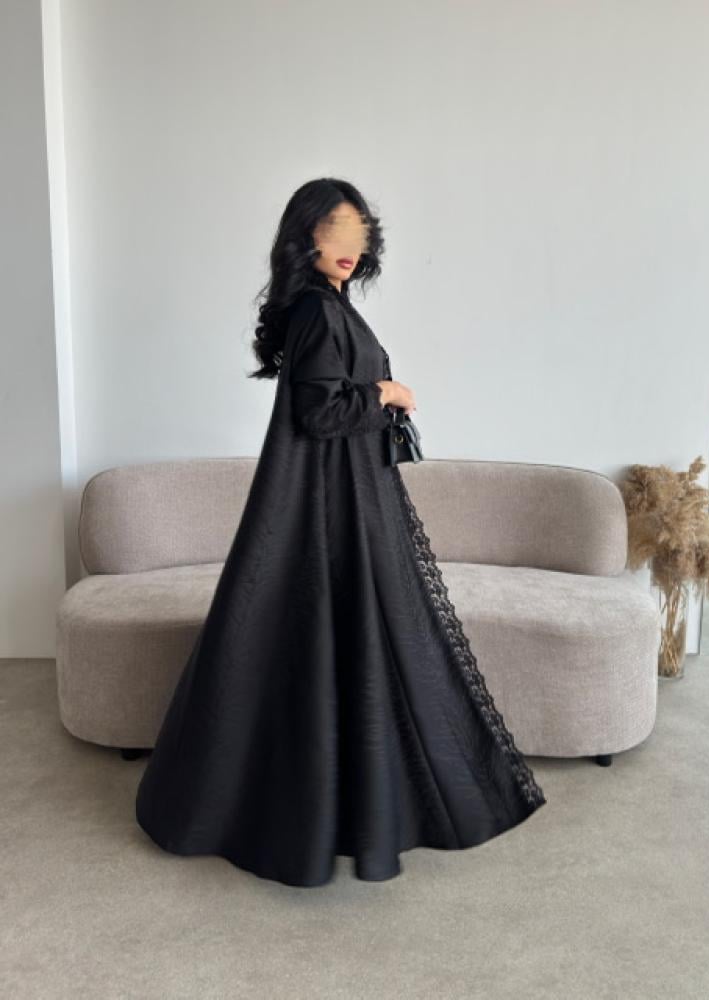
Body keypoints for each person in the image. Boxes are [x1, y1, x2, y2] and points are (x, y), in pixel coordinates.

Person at [135, 177, 546, 887]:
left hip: (341, 494)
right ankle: (321, 813)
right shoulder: (320, 312)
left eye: (359, 233)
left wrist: (378, 396)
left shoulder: (323, 306)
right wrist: (388, 392)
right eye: (334, 230)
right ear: (307, 237)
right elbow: (321, 415)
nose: (349, 246)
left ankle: (326, 806)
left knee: (329, 641)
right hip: (337, 502)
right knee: (347, 635)